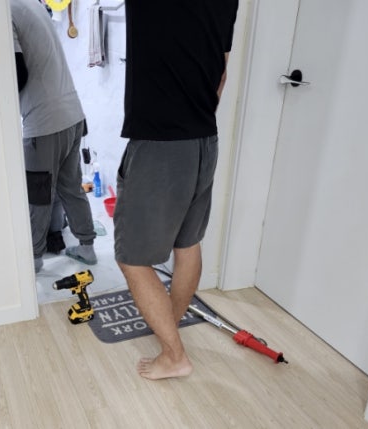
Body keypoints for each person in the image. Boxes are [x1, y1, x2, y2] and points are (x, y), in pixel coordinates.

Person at [113, 0, 239, 380]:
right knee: (187, 244)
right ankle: (169, 328)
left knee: (132, 258)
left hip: (161, 143)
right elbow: (221, 75)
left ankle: (174, 355)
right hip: (204, 139)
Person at [11, 0, 97, 273]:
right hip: (72, 113)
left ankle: (34, 259)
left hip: (44, 122)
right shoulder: (32, 5)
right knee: (70, 187)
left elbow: (18, 72)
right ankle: (87, 247)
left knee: (39, 194)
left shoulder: (4, 12)